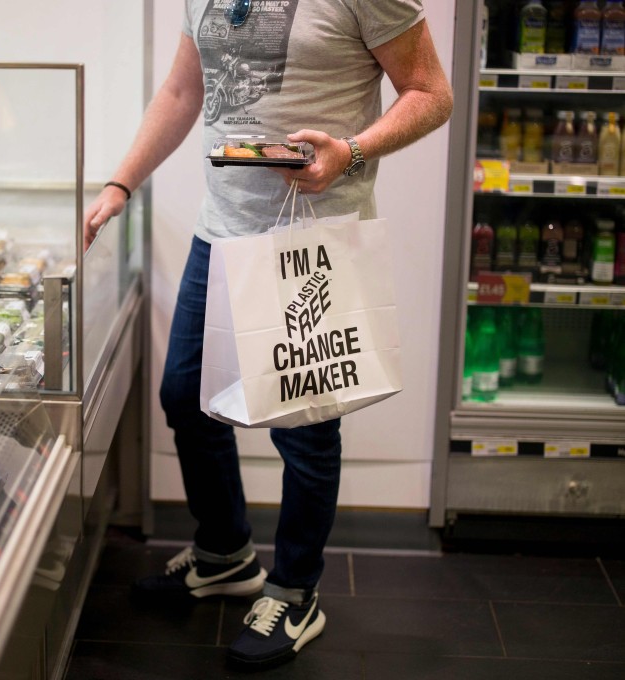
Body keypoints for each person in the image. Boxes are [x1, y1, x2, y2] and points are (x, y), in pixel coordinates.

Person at [84, 0, 453, 671]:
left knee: (303, 424)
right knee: (184, 396)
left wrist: (353, 150)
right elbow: (182, 90)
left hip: (310, 235)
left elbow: (432, 92)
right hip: (218, 231)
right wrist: (121, 183)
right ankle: (225, 553)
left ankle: (295, 590)